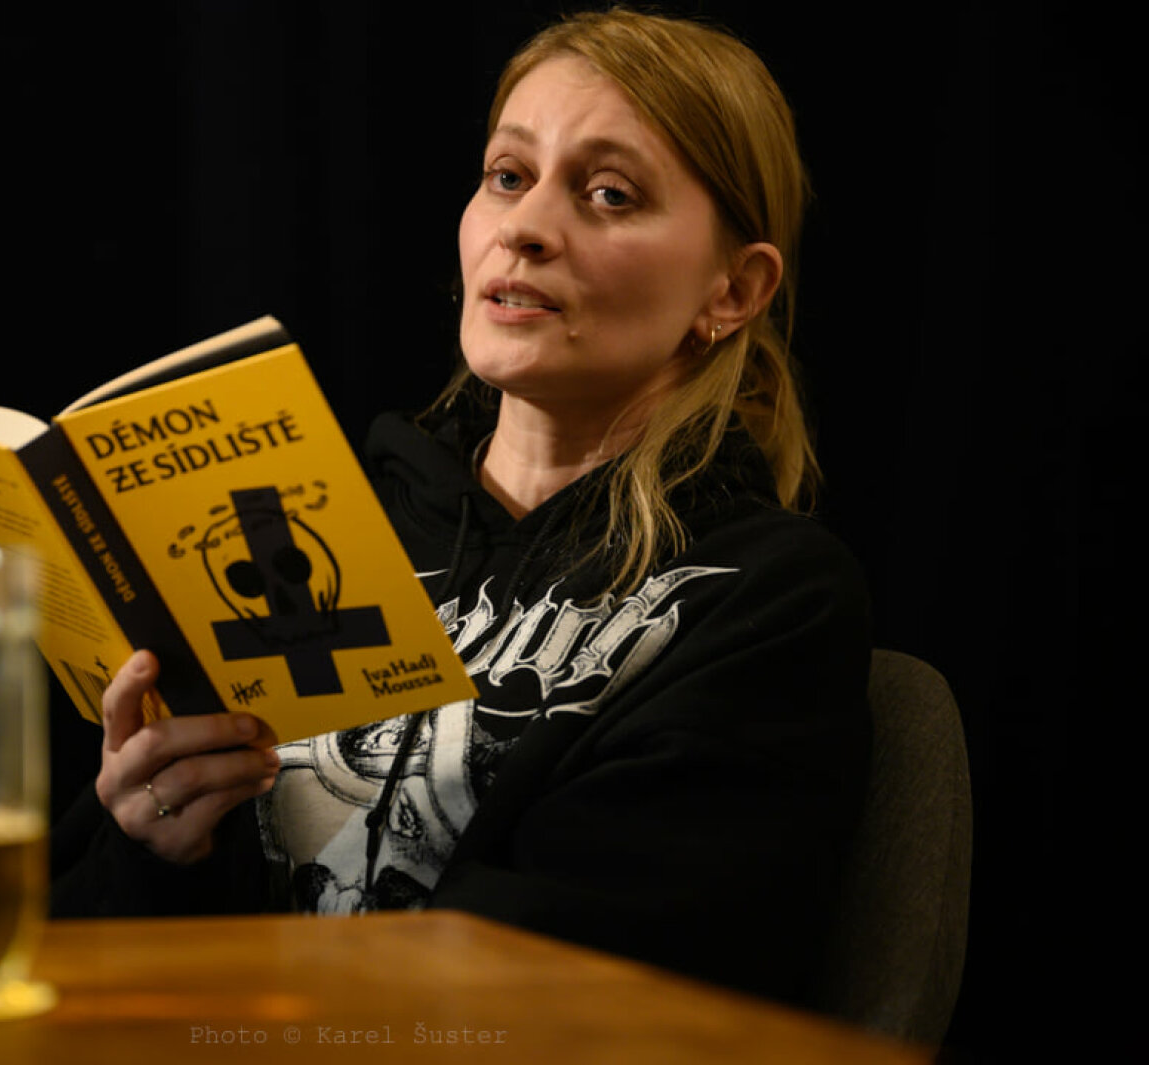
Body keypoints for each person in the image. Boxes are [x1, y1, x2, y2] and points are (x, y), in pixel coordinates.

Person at [51, 4, 871, 1010]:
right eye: (508, 176)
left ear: (732, 290)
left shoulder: (762, 597)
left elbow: (595, 977)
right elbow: (77, 947)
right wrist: (156, 847)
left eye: (609, 194)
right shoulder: (313, 533)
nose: (524, 228)